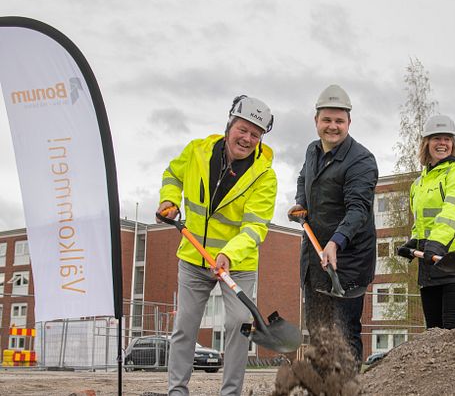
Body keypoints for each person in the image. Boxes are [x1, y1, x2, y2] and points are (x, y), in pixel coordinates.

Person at [157, 95, 278, 395]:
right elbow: (172, 173)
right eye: (243, 129)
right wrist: (168, 199)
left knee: (240, 323)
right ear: (229, 125)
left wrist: (228, 254)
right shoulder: (197, 151)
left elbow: (254, 228)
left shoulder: (264, 176)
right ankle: (177, 390)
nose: (247, 138)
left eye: (255, 134)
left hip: (236, 265)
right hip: (193, 258)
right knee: (185, 325)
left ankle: (230, 393)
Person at [287, 84, 378, 365]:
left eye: (339, 121)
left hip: (348, 261)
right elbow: (304, 178)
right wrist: (301, 202)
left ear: (349, 122)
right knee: (318, 332)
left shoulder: (361, 160)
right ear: (316, 121)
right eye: (327, 120)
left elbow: (358, 209)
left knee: (344, 331)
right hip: (315, 258)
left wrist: (336, 242)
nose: (333, 126)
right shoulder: (312, 151)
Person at [405, 114, 455, 330]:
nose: (442, 143)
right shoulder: (418, 183)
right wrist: (415, 242)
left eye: (447, 139)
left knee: (449, 330)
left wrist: (436, 242)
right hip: (430, 263)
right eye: (437, 138)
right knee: (433, 333)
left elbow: (453, 210)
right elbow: (422, 221)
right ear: (426, 143)